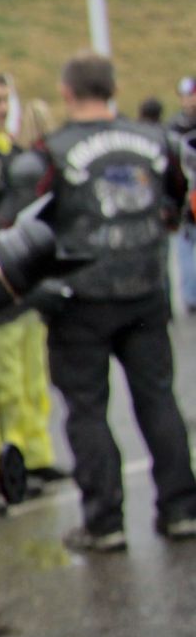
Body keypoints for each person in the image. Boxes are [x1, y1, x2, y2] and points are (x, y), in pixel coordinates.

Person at [37, 52, 196, 551]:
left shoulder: (51, 151)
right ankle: (180, 509)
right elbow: (177, 196)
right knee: (157, 398)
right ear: (113, 87)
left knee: (86, 408)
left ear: (66, 91)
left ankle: (104, 521)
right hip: (145, 288)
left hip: (80, 294)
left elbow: (28, 219)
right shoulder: (156, 141)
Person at [0, 71, 64, 494]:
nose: (2, 109)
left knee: (31, 379)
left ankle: (37, 455)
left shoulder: (16, 153)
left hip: (24, 285)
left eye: (6, 100)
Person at [168, 76, 196, 313]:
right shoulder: (174, 126)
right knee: (185, 246)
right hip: (186, 196)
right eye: (185, 95)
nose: (188, 100)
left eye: (192, 94)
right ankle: (191, 296)